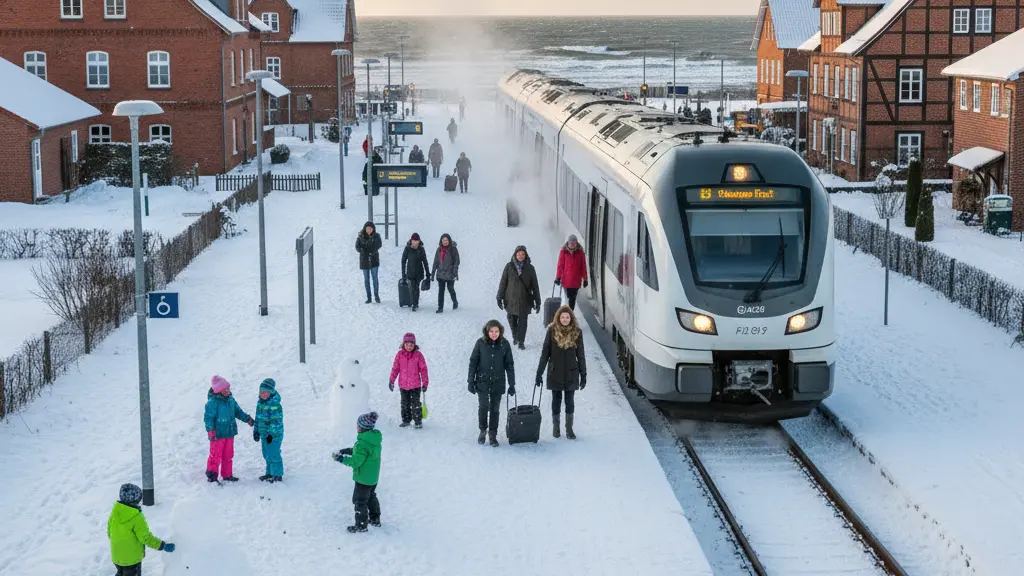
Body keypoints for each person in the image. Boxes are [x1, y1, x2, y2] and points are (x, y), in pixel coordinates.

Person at [535, 306, 587, 440]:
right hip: (555, 372)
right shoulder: (552, 331)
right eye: (562, 317)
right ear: (558, 318)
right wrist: (539, 373)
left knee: (570, 402)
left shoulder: (577, 332)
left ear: (571, 318)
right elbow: (545, 353)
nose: (565, 320)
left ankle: (569, 429)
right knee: (556, 400)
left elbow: (580, 355)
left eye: (567, 317)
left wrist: (583, 375)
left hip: (571, 372)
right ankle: (556, 427)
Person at [108, 483, 175, 575]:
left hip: (116, 556)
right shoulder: (136, 517)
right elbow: (145, 538)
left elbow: (109, 531)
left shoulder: (116, 511)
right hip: (131, 559)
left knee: (120, 573)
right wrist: (162, 545)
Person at [467, 319, 516, 447]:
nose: (494, 334)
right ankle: (483, 430)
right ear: (487, 331)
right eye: (491, 331)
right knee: (483, 406)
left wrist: (512, 384)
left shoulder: (504, 345)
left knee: (495, 409)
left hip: (498, 382)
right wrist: (470, 381)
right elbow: (473, 362)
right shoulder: (480, 343)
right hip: (482, 381)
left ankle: (492, 434)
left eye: (496, 331)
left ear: (500, 332)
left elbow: (509, 365)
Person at [332, 412, 383, 533]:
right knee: (371, 496)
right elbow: (364, 454)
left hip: (363, 479)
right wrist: (348, 450)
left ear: (362, 427)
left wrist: (341, 459)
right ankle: (375, 519)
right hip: (372, 477)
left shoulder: (362, 444)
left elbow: (356, 462)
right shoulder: (374, 440)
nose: (356, 427)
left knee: (359, 501)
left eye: (358, 425)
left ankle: (361, 525)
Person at [204, 375, 254, 483]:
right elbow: (208, 418)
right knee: (216, 455)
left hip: (229, 432)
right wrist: (210, 431)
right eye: (224, 389)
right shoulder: (212, 402)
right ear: (218, 390)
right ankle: (212, 475)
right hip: (217, 434)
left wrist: (247, 419)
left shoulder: (231, 400)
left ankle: (227, 475)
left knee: (228, 454)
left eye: (228, 388)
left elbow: (238, 411)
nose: (227, 391)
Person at [496, 245, 541, 350]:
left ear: (525, 255)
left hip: (525, 299)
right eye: (519, 253)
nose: (521, 256)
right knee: (511, 318)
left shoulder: (530, 268)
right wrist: (499, 297)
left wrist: (538, 302)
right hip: (510, 298)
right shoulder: (509, 267)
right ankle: (515, 335)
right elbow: (503, 283)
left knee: (523, 322)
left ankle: (521, 341)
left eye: (523, 254)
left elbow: (535, 286)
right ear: (515, 255)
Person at [389, 333, 429, 428]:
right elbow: (395, 368)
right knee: (405, 404)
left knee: (416, 404)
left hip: (415, 385)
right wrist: (391, 380)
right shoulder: (399, 355)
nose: (409, 346)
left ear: (414, 345)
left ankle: (418, 421)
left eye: (411, 344)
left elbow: (423, 369)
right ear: (403, 344)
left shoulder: (418, 355)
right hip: (403, 385)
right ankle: (406, 420)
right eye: (407, 344)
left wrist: (425, 383)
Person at [253, 378, 285, 483]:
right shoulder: (260, 403)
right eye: (260, 392)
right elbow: (258, 418)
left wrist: (271, 434)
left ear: (270, 392)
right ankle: (270, 473)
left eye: (264, 392)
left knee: (274, 453)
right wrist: (256, 431)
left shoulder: (274, 404)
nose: (262, 394)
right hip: (264, 434)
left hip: (274, 435)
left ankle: (277, 475)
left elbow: (276, 421)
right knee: (266, 454)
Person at [554, 234, 589, 311]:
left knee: (572, 299)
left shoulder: (580, 253)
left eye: (574, 243)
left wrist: (585, 279)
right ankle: (567, 315)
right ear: (568, 243)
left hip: (576, 282)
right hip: (566, 281)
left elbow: (583, 267)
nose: (572, 245)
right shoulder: (563, 252)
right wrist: (558, 277)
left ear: (576, 243)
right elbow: (560, 266)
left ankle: (570, 314)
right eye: (571, 243)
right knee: (566, 299)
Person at [431, 233, 460, 313]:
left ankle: (455, 302)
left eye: (446, 240)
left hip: (450, 274)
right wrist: (433, 273)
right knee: (441, 291)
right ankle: (440, 308)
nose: (445, 242)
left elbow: (457, 261)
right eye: (443, 240)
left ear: (449, 240)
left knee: (450, 289)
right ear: (441, 241)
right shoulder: (439, 249)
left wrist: (454, 272)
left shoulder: (453, 249)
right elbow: (435, 262)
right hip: (441, 274)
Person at [401, 232, 430, 312]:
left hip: (419, 272)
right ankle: (414, 303)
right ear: (411, 240)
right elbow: (403, 261)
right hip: (410, 272)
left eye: (416, 241)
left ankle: (415, 303)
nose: (415, 242)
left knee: (416, 288)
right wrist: (403, 274)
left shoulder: (421, 249)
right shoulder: (407, 248)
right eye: (413, 240)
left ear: (419, 241)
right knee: (413, 288)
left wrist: (428, 273)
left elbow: (425, 261)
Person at [356, 221, 382, 304]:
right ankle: (369, 297)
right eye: (367, 228)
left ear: (373, 229)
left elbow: (379, 245)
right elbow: (357, 246)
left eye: (370, 228)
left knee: (375, 278)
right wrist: (362, 250)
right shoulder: (360, 236)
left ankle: (376, 296)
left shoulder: (376, 236)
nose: (369, 230)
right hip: (364, 260)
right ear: (365, 229)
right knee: (366, 279)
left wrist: (371, 251)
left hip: (374, 260)